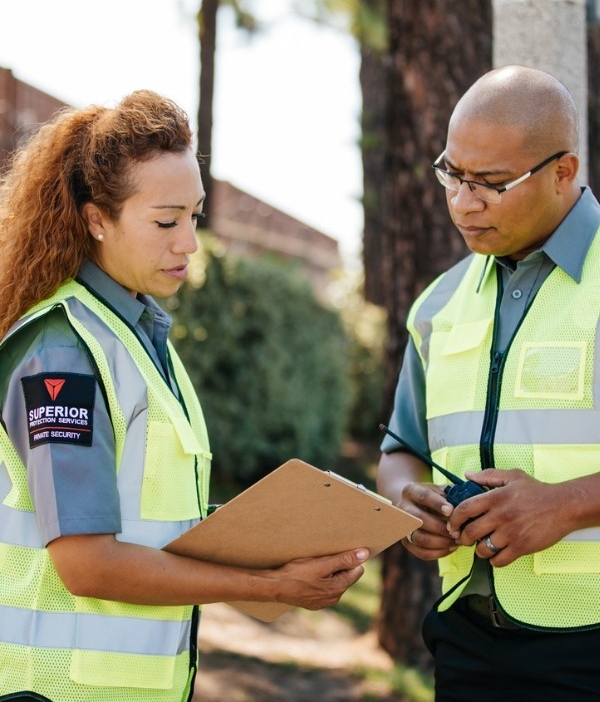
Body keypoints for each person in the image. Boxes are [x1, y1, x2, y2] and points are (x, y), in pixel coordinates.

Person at [0, 90, 368, 702]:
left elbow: (151, 526)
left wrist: (280, 552)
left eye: (194, 217)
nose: (188, 243)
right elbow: (86, 564)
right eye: (166, 221)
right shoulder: (64, 353)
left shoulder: (137, 337)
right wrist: (271, 588)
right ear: (97, 219)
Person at [376, 65, 600, 701]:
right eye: (453, 173)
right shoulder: (437, 306)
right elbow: (401, 450)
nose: (462, 203)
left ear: (564, 172)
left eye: (492, 184)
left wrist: (567, 504)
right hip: (466, 644)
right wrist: (402, 502)